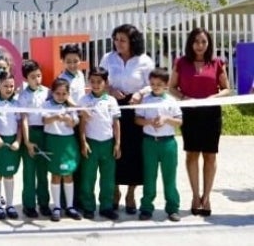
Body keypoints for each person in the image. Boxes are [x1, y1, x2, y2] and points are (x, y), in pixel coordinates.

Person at [169, 27, 231, 217]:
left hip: (212, 115)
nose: (200, 45)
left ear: (208, 43)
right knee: (192, 155)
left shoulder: (217, 62)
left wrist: (214, 96)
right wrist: (184, 98)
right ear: (191, 43)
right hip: (190, 115)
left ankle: (207, 197)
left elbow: (227, 88)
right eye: (197, 41)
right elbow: (171, 87)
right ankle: (195, 197)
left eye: (204, 41)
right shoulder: (181, 62)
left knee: (210, 156)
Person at [99, 24, 154, 214]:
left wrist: (139, 93)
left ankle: (131, 193)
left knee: (134, 152)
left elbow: (153, 84)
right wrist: (110, 89)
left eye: (123, 40)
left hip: (135, 109)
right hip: (111, 108)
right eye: (116, 39)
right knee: (114, 149)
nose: (118, 43)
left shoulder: (144, 61)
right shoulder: (108, 58)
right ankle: (114, 192)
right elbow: (99, 80)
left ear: (133, 41)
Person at [136, 68, 183, 222]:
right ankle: (146, 207)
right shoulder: (145, 100)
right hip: (150, 142)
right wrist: (149, 122)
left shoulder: (170, 100)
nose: (155, 86)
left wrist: (166, 119)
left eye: (159, 84)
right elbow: (137, 119)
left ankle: (172, 208)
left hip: (168, 143)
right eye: (153, 83)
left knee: (169, 177)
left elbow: (179, 121)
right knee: (149, 176)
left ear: (166, 84)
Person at [77, 67, 121, 221]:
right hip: (91, 143)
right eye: (93, 81)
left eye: (99, 82)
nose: (95, 85)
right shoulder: (84, 100)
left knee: (108, 179)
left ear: (106, 83)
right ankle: (88, 207)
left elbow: (116, 124)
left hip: (107, 144)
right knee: (88, 178)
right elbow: (82, 124)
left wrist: (117, 143)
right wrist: (83, 143)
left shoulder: (111, 101)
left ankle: (106, 207)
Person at [42, 78, 81, 222]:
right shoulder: (47, 104)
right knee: (56, 174)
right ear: (52, 93)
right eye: (57, 93)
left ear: (68, 94)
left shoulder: (70, 107)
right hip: (53, 141)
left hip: (68, 143)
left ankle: (70, 206)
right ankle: (57, 206)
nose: (61, 96)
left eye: (64, 94)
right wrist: (55, 117)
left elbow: (74, 123)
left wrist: (68, 120)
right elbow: (44, 120)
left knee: (68, 174)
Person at [18, 60, 51, 218]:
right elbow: (23, 118)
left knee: (43, 172)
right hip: (30, 133)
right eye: (33, 77)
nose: (37, 79)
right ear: (26, 79)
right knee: (29, 172)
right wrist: (27, 141)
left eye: (39, 75)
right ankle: (29, 205)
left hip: (45, 133)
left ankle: (44, 203)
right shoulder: (23, 96)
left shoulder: (48, 92)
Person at [0, 71, 22, 220]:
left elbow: (20, 124)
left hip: (12, 142)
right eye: (5, 85)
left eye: (11, 86)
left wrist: (18, 141)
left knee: (9, 173)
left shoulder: (17, 103)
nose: (9, 89)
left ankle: (10, 205)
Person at [57, 44, 86, 209]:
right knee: (67, 161)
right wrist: (80, 109)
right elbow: (66, 98)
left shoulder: (80, 75)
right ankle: (64, 200)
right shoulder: (62, 79)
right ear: (63, 61)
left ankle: (78, 199)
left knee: (80, 160)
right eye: (69, 61)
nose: (73, 64)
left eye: (75, 61)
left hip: (81, 120)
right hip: (69, 123)